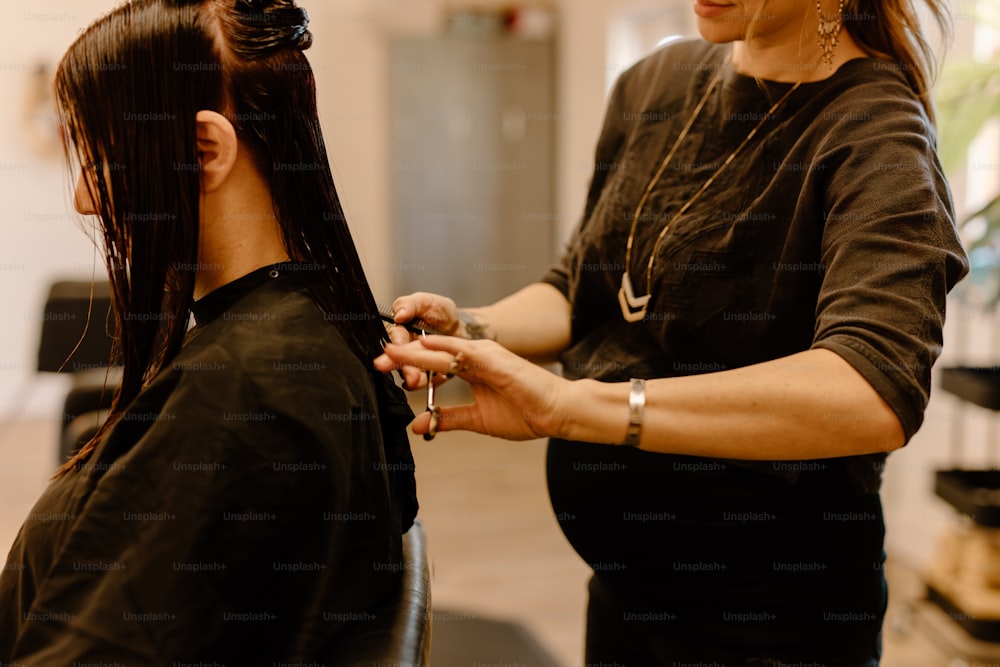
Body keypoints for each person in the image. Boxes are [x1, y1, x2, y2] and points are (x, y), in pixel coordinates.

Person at [375, 0, 969, 664]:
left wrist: (574, 408)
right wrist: (472, 329)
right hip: (626, 596)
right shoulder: (653, 83)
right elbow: (582, 287)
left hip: (772, 625)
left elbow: (872, 388)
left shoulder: (876, 135)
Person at [0, 0, 418, 664]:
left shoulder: (247, 396)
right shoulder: (308, 332)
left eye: (98, 153)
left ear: (205, 150)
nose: (84, 196)